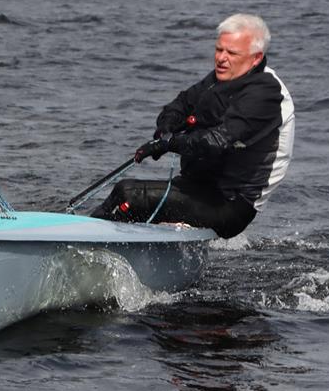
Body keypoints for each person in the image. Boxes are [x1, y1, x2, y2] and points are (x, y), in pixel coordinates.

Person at [91, 13, 294, 239]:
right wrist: (165, 131)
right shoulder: (224, 77)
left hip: (231, 203)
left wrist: (169, 144)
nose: (221, 58)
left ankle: (84, 244)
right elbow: (180, 105)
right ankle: (93, 237)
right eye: (219, 50)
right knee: (126, 195)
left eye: (232, 53)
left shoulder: (266, 94)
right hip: (197, 187)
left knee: (129, 195)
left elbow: (216, 142)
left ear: (256, 58)